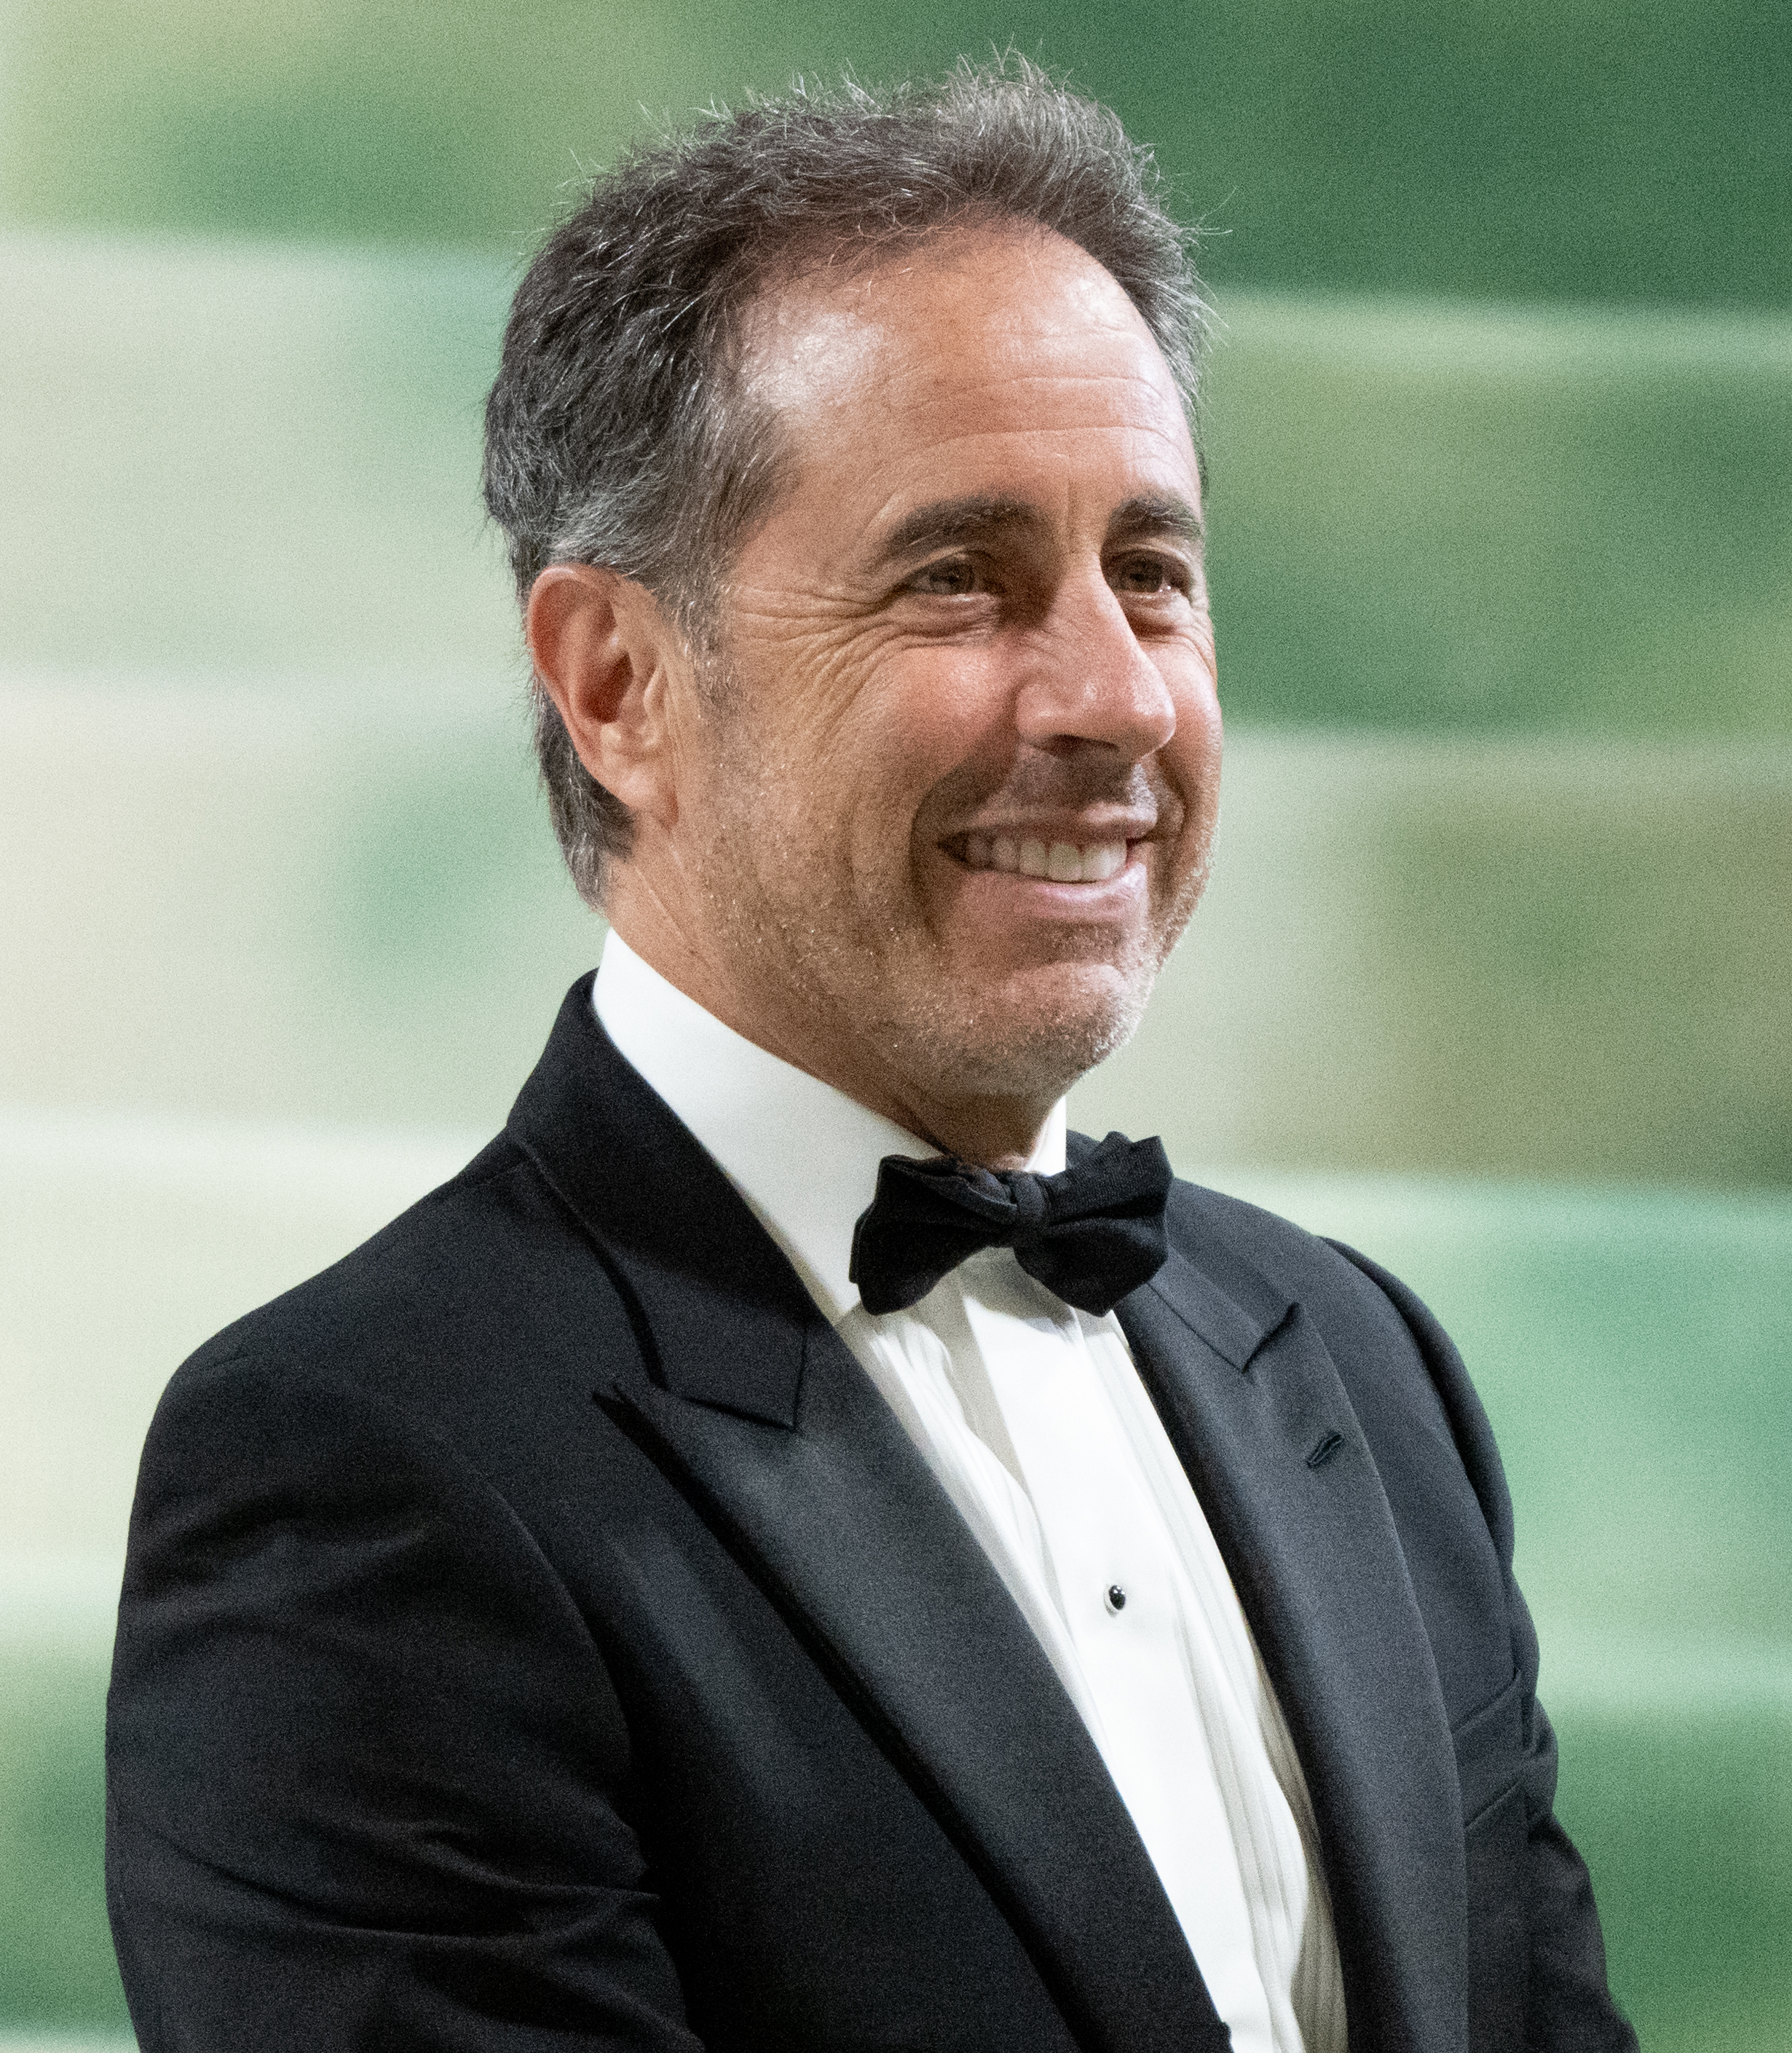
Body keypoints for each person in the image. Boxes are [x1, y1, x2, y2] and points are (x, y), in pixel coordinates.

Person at [105, 61, 1635, 2053]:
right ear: (618, 685)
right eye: (961, 580)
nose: (1110, 693)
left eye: (1152, 574)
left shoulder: (1361, 1365)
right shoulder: (364, 1473)